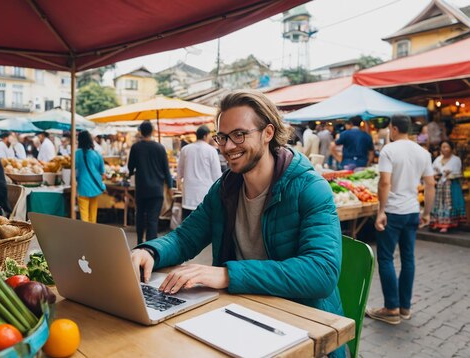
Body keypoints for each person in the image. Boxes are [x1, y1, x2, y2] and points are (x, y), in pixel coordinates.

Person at [130, 90, 345, 357]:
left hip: (303, 327)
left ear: (268, 133)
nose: (228, 146)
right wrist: (149, 251)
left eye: (239, 135)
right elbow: (185, 237)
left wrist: (228, 275)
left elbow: (322, 273)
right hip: (240, 317)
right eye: (222, 137)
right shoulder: (225, 188)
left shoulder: (310, 188)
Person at [366, 114, 435, 325]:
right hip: (412, 210)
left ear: (394, 129)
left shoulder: (389, 150)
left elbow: (384, 183)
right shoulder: (423, 153)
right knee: (408, 258)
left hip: (393, 212)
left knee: (386, 259)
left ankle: (391, 308)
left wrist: (381, 211)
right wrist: (427, 213)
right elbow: (431, 184)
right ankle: (405, 307)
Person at [128, 120, 173, 245]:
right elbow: (166, 170)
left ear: (140, 132)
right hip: (156, 190)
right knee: (153, 220)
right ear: (152, 132)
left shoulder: (136, 147)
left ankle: (139, 241)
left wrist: (133, 172)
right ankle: (150, 247)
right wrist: (170, 187)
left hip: (141, 188)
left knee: (140, 216)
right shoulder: (160, 147)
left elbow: (130, 167)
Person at [177, 125, 222, 220]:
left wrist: (179, 184)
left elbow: (179, 172)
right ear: (206, 136)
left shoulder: (185, 149)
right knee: (203, 228)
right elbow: (217, 175)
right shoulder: (211, 151)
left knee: (187, 227)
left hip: (188, 196)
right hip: (205, 195)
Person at [430, 140, 466, 233]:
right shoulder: (438, 159)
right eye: (443, 147)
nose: (444, 149)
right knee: (439, 204)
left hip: (451, 185)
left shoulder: (456, 159)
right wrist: (435, 175)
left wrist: (450, 174)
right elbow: (433, 170)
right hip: (440, 185)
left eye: (446, 147)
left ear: (451, 148)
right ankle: (437, 222)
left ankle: (447, 224)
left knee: (448, 204)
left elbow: (458, 172)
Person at [76, 130, 106, 223]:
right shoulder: (97, 154)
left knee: (84, 215)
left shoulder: (77, 153)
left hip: (83, 186)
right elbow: (102, 172)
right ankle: (93, 233)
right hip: (95, 187)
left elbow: (73, 168)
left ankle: (86, 234)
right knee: (93, 214)